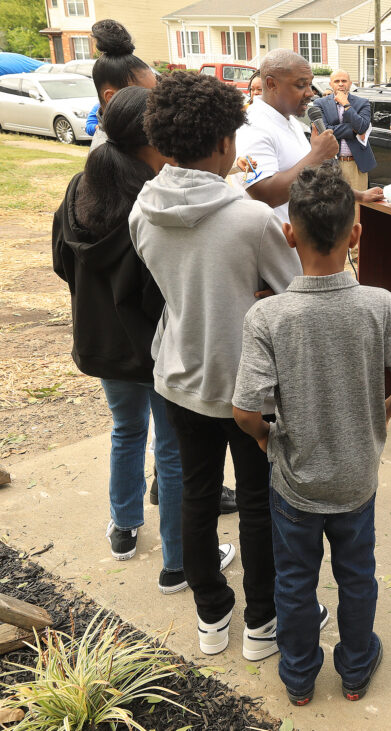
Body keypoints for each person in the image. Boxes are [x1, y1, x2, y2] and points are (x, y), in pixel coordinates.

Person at [130, 71, 320, 659]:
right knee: (260, 503)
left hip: (178, 374)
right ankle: (263, 622)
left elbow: (176, 284)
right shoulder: (249, 218)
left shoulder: (143, 206)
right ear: (221, 146)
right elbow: (297, 293)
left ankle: (211, 615)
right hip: (250, 388)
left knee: (194, 494)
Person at [232, 162, 391, 706]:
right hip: (357, 479)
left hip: (296, 484)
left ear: (288, 235)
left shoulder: (268, 318)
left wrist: (269, 440)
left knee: (294, 582)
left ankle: (298, 678)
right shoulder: (381, 305)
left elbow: (245, 411)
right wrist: (378, 417)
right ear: (356, 234)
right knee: (357, 576)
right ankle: (356, 669)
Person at [53, 86, 200, 594]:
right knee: (174, 450)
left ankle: (123, 529)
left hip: (101, 344)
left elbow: (61, 263)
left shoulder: (78, 188)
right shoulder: (156, 201)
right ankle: (178, 563)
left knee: (126, 432)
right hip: (157, 346)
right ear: (152, 137)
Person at [236, 50, 340, 223]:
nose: (310, 93)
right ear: (271, 84)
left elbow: (304, 176)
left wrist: (359, 195)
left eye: (310, 84)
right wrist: (317, 156)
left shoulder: (288, 119)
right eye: (301, 85)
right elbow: (265, 195)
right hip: (274, 243)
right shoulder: (252, 126)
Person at [87, 20, 158, 151]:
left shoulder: (140, 138)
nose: (155, 106)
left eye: (155, 94)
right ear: (112, 98)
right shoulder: (107, 157)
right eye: (146, 99)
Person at [312, 69, 375, 192]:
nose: (341, 84)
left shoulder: (363, 103)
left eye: (344, 81)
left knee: (357, 205)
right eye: (337, 81)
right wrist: (352, 129)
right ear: (331, 84)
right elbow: (323, 131)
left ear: (350, 83)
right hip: (331, 163)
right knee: (334, 204)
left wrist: (346, 104)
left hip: (356, 164)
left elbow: (362, 127)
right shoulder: (320, 103)